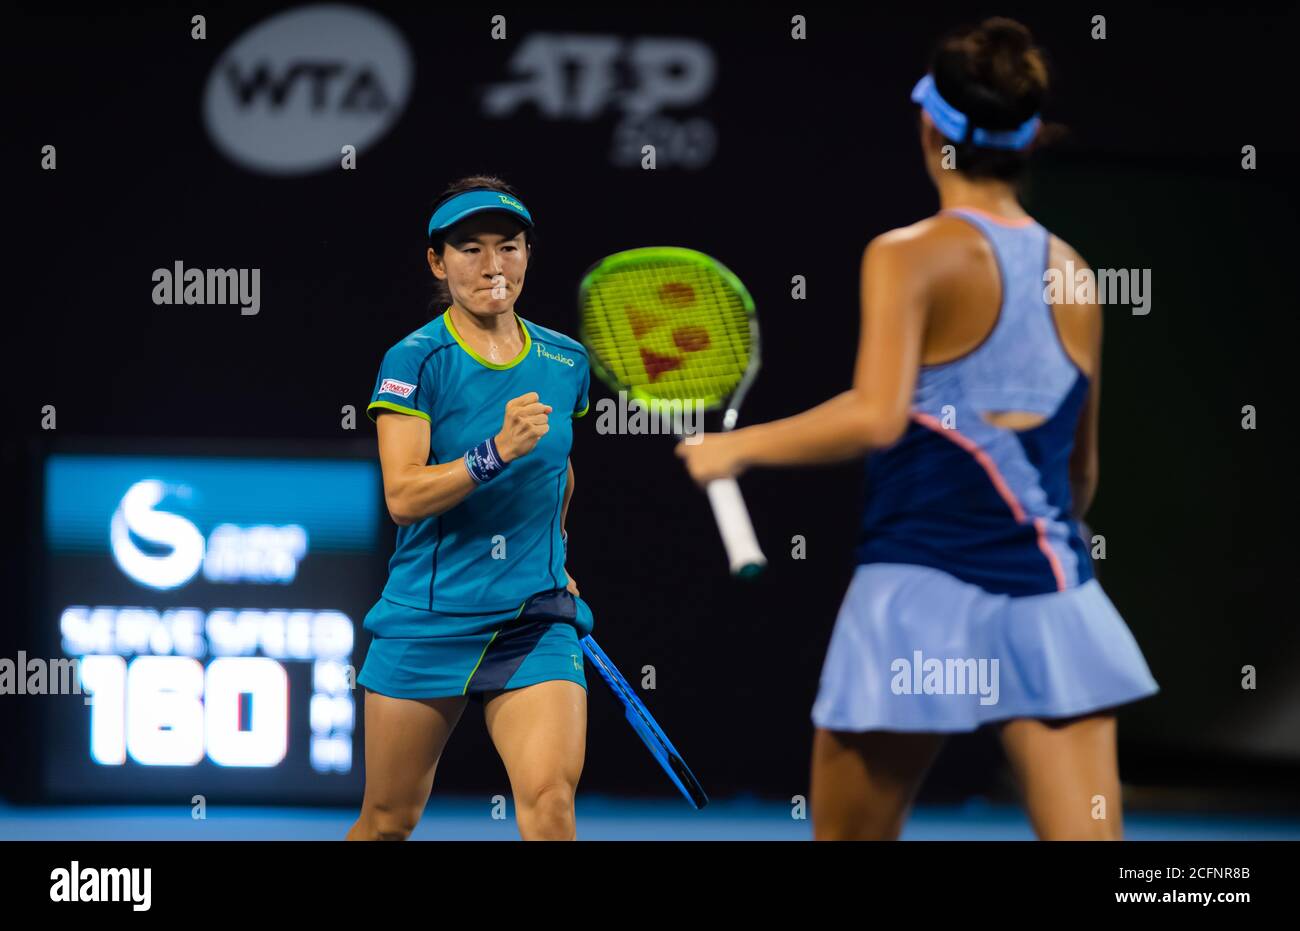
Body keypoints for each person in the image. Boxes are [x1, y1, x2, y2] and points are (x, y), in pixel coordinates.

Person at [676, 18, 1158, 840]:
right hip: (1052, 597)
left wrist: (735, 446)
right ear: (1029, 135)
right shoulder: (1077, 271)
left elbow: (877, 412)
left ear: (932, 127)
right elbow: (1081, 475)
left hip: (916, 594)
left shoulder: (908, 253)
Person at [346, 176, 595, 841]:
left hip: (532, 618)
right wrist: (494, 451)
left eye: (508, 247)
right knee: (388, 820)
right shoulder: (414, 360)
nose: (493, 266)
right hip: (430, 617)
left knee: (549, 802)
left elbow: (559, 469)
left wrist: (556, 552)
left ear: (527, 254)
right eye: (470, 249)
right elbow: (403, 495)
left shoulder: (566, 359)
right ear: (438, 261)